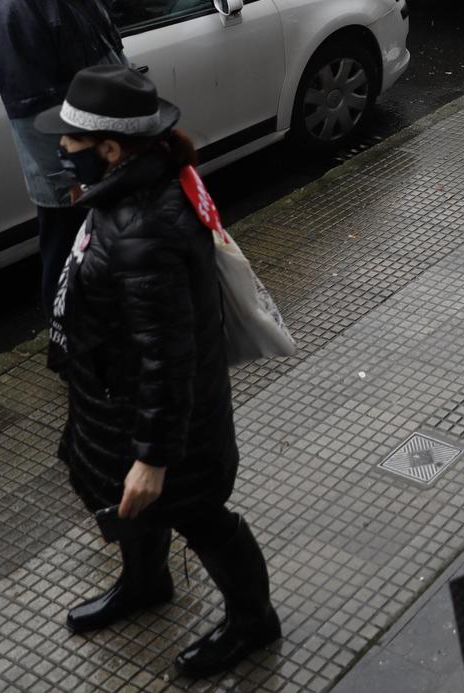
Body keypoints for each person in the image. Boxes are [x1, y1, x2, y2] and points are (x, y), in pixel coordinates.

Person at [39, 65, 280, 680]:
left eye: (71, 140)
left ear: (110, 149)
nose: (61, 149)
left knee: (201, 519)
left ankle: (253, 621)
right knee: (132, 506)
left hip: (165, 422)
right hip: (118, 401)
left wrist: (152, 456)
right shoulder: (127, 191)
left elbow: (169, 357)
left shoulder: (144, 230)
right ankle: (145, 584)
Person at [0, 0, 127, 311]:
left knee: (106, 265)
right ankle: (69, 342)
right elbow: (30, 112)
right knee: (70, 269)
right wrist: (70, 180)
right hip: (72, 179)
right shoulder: (15, 5)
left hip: (104, 160)